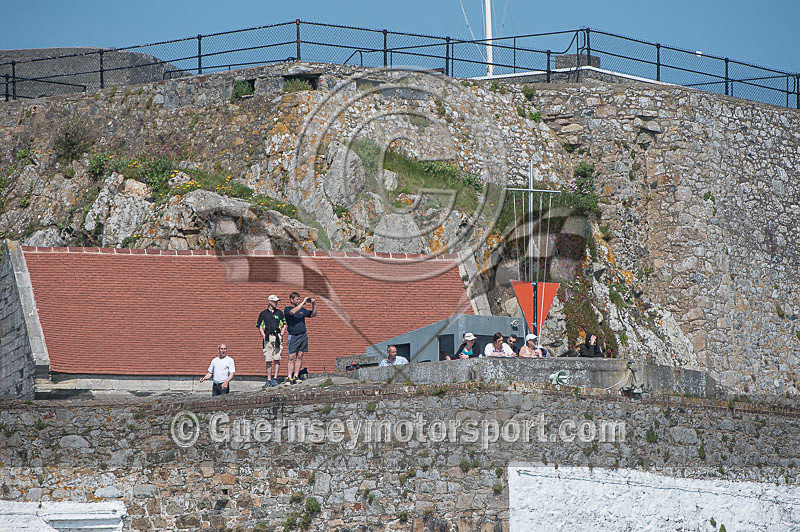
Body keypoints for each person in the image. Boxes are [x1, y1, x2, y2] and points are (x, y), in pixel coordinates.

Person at [284, 291, 317, 385]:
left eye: (299, 299)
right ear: (291, 300)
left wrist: (314, 305)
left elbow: (313, 314)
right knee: (291, 357)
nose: (298, 301)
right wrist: (303, 302)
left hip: (303, 335)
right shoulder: (287, 309)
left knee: (300, 356)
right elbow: (293, 312)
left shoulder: (303, 310)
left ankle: (296, 376)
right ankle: (289, 377)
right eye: (297, 299)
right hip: (293, 336)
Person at [257, 294, 286, 388]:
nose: (276, 303)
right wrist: (264, 335)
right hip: (268, 337)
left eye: (277, 301)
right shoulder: (263, 314)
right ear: (269, 302)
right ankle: (269, 379)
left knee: (277, 358)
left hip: (277, 337)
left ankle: (275, 378)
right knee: (268, 359)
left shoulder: (279, 313)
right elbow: (260, 326)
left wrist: (281, 334)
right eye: (274, 301)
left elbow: (284, 324)